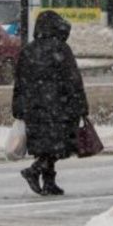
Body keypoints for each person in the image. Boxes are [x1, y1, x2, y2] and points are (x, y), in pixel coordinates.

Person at [11, 10, 88, 196]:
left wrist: (18, 106)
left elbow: (19, 82)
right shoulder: (61, 49)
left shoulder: (28, 50)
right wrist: (81, 105)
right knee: (60, 144)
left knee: (45, 145)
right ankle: (35, 170)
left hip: (34, 107)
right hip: (58, 106)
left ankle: (49, 182)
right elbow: (73, 80)